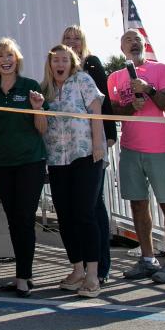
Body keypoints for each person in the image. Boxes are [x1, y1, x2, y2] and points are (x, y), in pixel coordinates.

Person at [107, 29, 165, 284]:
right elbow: (116, 111)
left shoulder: (162, 69)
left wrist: (148, 89)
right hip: (130, 148)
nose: (133, 43)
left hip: (159, 148)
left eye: (137, 40)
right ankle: (148, 259)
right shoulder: (115, 77)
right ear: (121, 48)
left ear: (144, 45)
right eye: (128, 40)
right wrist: (131, 105)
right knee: (138, 204)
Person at [37, 44, 105, 298]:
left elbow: (96, 113)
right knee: (65, 215)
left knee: (85, 214)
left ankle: (93, 275)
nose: (59, 64)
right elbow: (42, 126)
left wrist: (98, 145)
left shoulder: (83, 80)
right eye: (55, 60)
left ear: (72, 62)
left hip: (85, 154)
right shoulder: (46, 90)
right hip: (57, 159)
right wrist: (37, 108)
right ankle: (76, 269)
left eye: (64, 59)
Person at [0, 37, 47, 297]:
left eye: (9, 55)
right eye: (0, 56)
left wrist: (38, 109)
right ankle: (23, 273)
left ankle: (23, 277)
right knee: (13, 220)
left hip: (31, 161)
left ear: (16, 59)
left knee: (25, 219)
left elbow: (42, 129)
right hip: (4, 164)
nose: (5, 60)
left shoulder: (30, 87)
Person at [61, 24, 115, 285]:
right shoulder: (60, 70)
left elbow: (104, 104)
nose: (72, 42)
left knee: (94, 206)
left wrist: (106, 138)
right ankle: (81, 266)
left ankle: (101, 267)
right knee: (83, 207)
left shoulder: (90, 64)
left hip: (93, 148)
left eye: (76, 38)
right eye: (67, 39)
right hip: (68, 152)